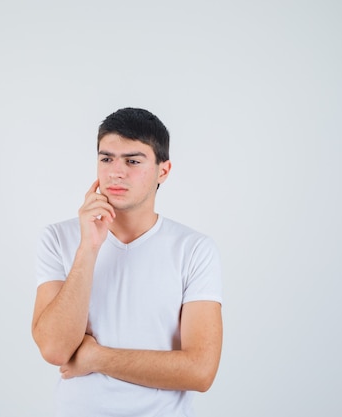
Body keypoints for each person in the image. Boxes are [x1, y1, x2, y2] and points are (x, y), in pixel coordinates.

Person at [32, 107, 223, 417]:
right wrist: (89, 248)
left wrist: (97, 358)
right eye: (106, 159)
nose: (115, 172)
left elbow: (200, 371)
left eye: (133, 161)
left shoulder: (194, 249)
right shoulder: (58, 238)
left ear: (163, 171)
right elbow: (54, 349)